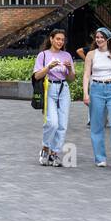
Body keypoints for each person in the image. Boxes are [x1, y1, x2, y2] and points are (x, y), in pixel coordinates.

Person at [81, 26, 111, 169]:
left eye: (102, 37)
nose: (99, 40)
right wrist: (86, 93)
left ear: (108, 38)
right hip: (96, 89)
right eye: (97, 37)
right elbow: (86, 74)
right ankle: (100, 158)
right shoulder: (91, 54)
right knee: (97, 125)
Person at [33, 29, 75, 166]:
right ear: (51, 39)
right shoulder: (43, 55)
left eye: (62, 40)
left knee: (62, 124)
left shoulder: (67, 55)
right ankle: (45, 148)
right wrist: (48, 67)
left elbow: (71, 78)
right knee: (52, 123)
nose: (60, 42)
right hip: (49, 88)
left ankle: (54, 153)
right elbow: (37, 76)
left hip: (64, 89)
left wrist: (69, 70)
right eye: (57, 39)